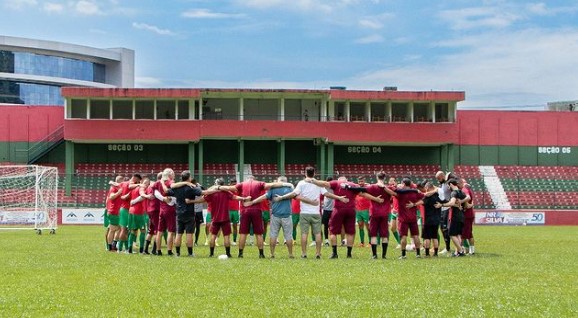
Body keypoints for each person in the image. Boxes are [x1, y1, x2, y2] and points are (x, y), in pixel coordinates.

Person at [274, 167, 347, 259]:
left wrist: (282, 197)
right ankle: (318, 253)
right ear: (314, 173)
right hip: (316, 213)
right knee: (317, 233)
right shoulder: (318, 183)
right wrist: (339, 197)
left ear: (305, 173)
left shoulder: (301, 183)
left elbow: (293, 194)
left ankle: (304, 254)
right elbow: (327, 194)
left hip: (304, 212)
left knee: (304, 233)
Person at [218, 175, 293, 258]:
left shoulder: (242, 184)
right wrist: (286, 184)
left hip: (245, 210)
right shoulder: (259, 183)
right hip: (257, 210)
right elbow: (271, 185)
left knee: (243, 233)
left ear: (247, 179)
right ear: (254, 179)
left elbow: (229, 188)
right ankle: (261, 254)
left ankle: (240, 253)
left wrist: (218, 187)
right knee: (259, 233)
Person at [306, 176, 360, 259]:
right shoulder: (353, 185)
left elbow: (324, 183)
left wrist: (313, 180)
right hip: (351, 210)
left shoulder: (336, 183)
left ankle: (334, 253)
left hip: (338, 209)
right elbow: (363, 192)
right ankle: (349, 254)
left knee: (333, 231)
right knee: (350, 232)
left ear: (339, 180)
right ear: (347, 180)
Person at [193, 178, 248, 258]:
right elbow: (235, 197)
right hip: (225, 218)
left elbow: (202, 199)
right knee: (226, 236)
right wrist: (244, 199)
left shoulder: (212, 193)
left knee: (213, 236)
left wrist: (192, 202)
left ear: (216, 184)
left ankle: (211, 254)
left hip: (215, 218)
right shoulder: (226, 192)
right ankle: (228, 254)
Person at [245, 176, 295, 258]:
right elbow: (295, 195)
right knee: (289, 236)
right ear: (286, 182)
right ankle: (290, 254)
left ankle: (272, 254)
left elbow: (263, 197)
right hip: (287, 215)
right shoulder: (290, 189)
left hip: (275, 215)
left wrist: (252, 202)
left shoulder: (273, 189)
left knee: (273, 235)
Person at [358, 172, 398, 259]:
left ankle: (374, 255)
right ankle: (384, 255)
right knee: (384, 235)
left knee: (373, 234)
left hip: (374, 213)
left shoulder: (372, 187)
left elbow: (360, 193)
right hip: (384, 214)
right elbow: (396, 194)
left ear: (377, 177)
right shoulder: (389, 187)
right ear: (385, 178)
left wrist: (374, 199)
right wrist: (384, 188)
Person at [166, 171, 204, 257]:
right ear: (189, 178)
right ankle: (190, 253)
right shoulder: (191, 187)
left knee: (179, 233)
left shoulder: (176, 187)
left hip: (179, 213)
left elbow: (167, 192)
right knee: (189, 234)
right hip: (189, 213)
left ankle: (178, 253)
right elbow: (202, 192)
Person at [435, 178, 467, 257]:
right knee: (458, 234)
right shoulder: (462, 192)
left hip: (455, 216)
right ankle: (458, 252)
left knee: (452, 234)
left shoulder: (454, 193)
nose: (448, 188)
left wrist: (441, 205)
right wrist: (459, 205)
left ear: (451, 184)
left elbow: (452, 203)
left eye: (448, 186)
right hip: (462, 216)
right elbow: (466, 204)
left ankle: (460, 251)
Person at [396, 177, 424, 259]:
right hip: (413, 218)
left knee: (403, 236)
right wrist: (414, 204)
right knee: (415, 235)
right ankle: (418, 254)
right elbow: (424, 199)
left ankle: (403, 255)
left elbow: (393, 191)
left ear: (404, 184)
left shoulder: (400, 193)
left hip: (403, 218)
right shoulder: (414, 192)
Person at [153, 168, 177, 256]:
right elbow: (174, 191)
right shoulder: (170, 182)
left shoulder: (158, 182)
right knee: (171, 231)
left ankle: (158, 251)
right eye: (173, 173)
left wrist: (162, 199)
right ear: (169, 175)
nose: (174, 175)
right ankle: (169, 251)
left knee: (160, 231)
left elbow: (154, 190)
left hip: (161, 210)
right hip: (170, 209)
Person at [416, 180, 443, 257]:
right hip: (436, 219)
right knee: (434, 236)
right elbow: (444, 201)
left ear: (427, 187)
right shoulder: (438, 197)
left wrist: (414, 204)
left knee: (427, 237)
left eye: (425, 187)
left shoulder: (427, 197)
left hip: (428, 220)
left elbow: (421, 202)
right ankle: (436, 253)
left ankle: (427, 254)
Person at [143, 173, 161, 255]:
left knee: (151, 230)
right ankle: (154, 250)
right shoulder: (158, 186)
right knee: (157, 231)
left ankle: (145, 250)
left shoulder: (150, 186)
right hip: (156, 210)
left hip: (150, 210)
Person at [127, 174, 145, 254]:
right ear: (139, 181)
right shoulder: (140, 187)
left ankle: (129, 249)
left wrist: (132, 202)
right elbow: (142, 196)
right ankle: (141, 250)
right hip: (138, 212)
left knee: (133, 230)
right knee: (143, 230)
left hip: (131, 211)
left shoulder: (132, 188)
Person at [105, 175, 124, 251]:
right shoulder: (114, 188)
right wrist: (119, 192)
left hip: (113, 211)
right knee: (114, 229)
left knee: (117, 228)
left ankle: (112, 245)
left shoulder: (116, 187)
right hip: (113, 211)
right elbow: (111, 197)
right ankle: (111, 246)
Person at [460, 179, 476, 255]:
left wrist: (465, 205)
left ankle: (460, 250)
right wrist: (470, 205)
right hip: (469, 215)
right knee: (469, 234)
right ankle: (471, 251)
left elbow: (468, 200)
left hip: (466, 215)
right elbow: (471, 202)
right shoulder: (468, 189)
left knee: (463, 234)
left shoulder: (464, 189)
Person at [355, 176, 371, 247]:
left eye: (362, 181)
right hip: (358, 211)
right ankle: (362, 243)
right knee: (360, 226)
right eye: (359, 181)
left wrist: (367, 184)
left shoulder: (368, 188)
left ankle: (370, 243)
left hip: (366, 210)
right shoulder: (356, 189)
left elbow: (370, 186)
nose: (360, 183)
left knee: (368, 227)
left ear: (364, 181)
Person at [388, 177, 402, 248]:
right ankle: (399, 242)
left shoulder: (399, 188)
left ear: (396, 182)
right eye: (390, 181)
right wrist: (392, 206)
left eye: (392, 181)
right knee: (392, 228)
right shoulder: (391, 191)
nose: (391, 182)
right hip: (394, 211)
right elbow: (390, 200)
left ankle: (402, 244)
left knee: (399, 229)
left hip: (400, 211)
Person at [321, 176, 335, 246]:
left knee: (332, 226)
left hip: (333, 209)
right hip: (326, 209)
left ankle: (333, 240)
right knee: (325, 225)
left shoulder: (335, 188)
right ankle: (326, 240)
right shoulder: (324, 188)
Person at [228, 179, 240, 246]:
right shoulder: (227, 190)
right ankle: (228, 240)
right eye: (233, 184)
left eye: (235, 184)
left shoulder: (237, 190)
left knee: (235, 226)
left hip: (235, 210)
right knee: (227, 226)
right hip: (228, 210)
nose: (234, 185)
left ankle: (234, 240)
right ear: (230, 184)